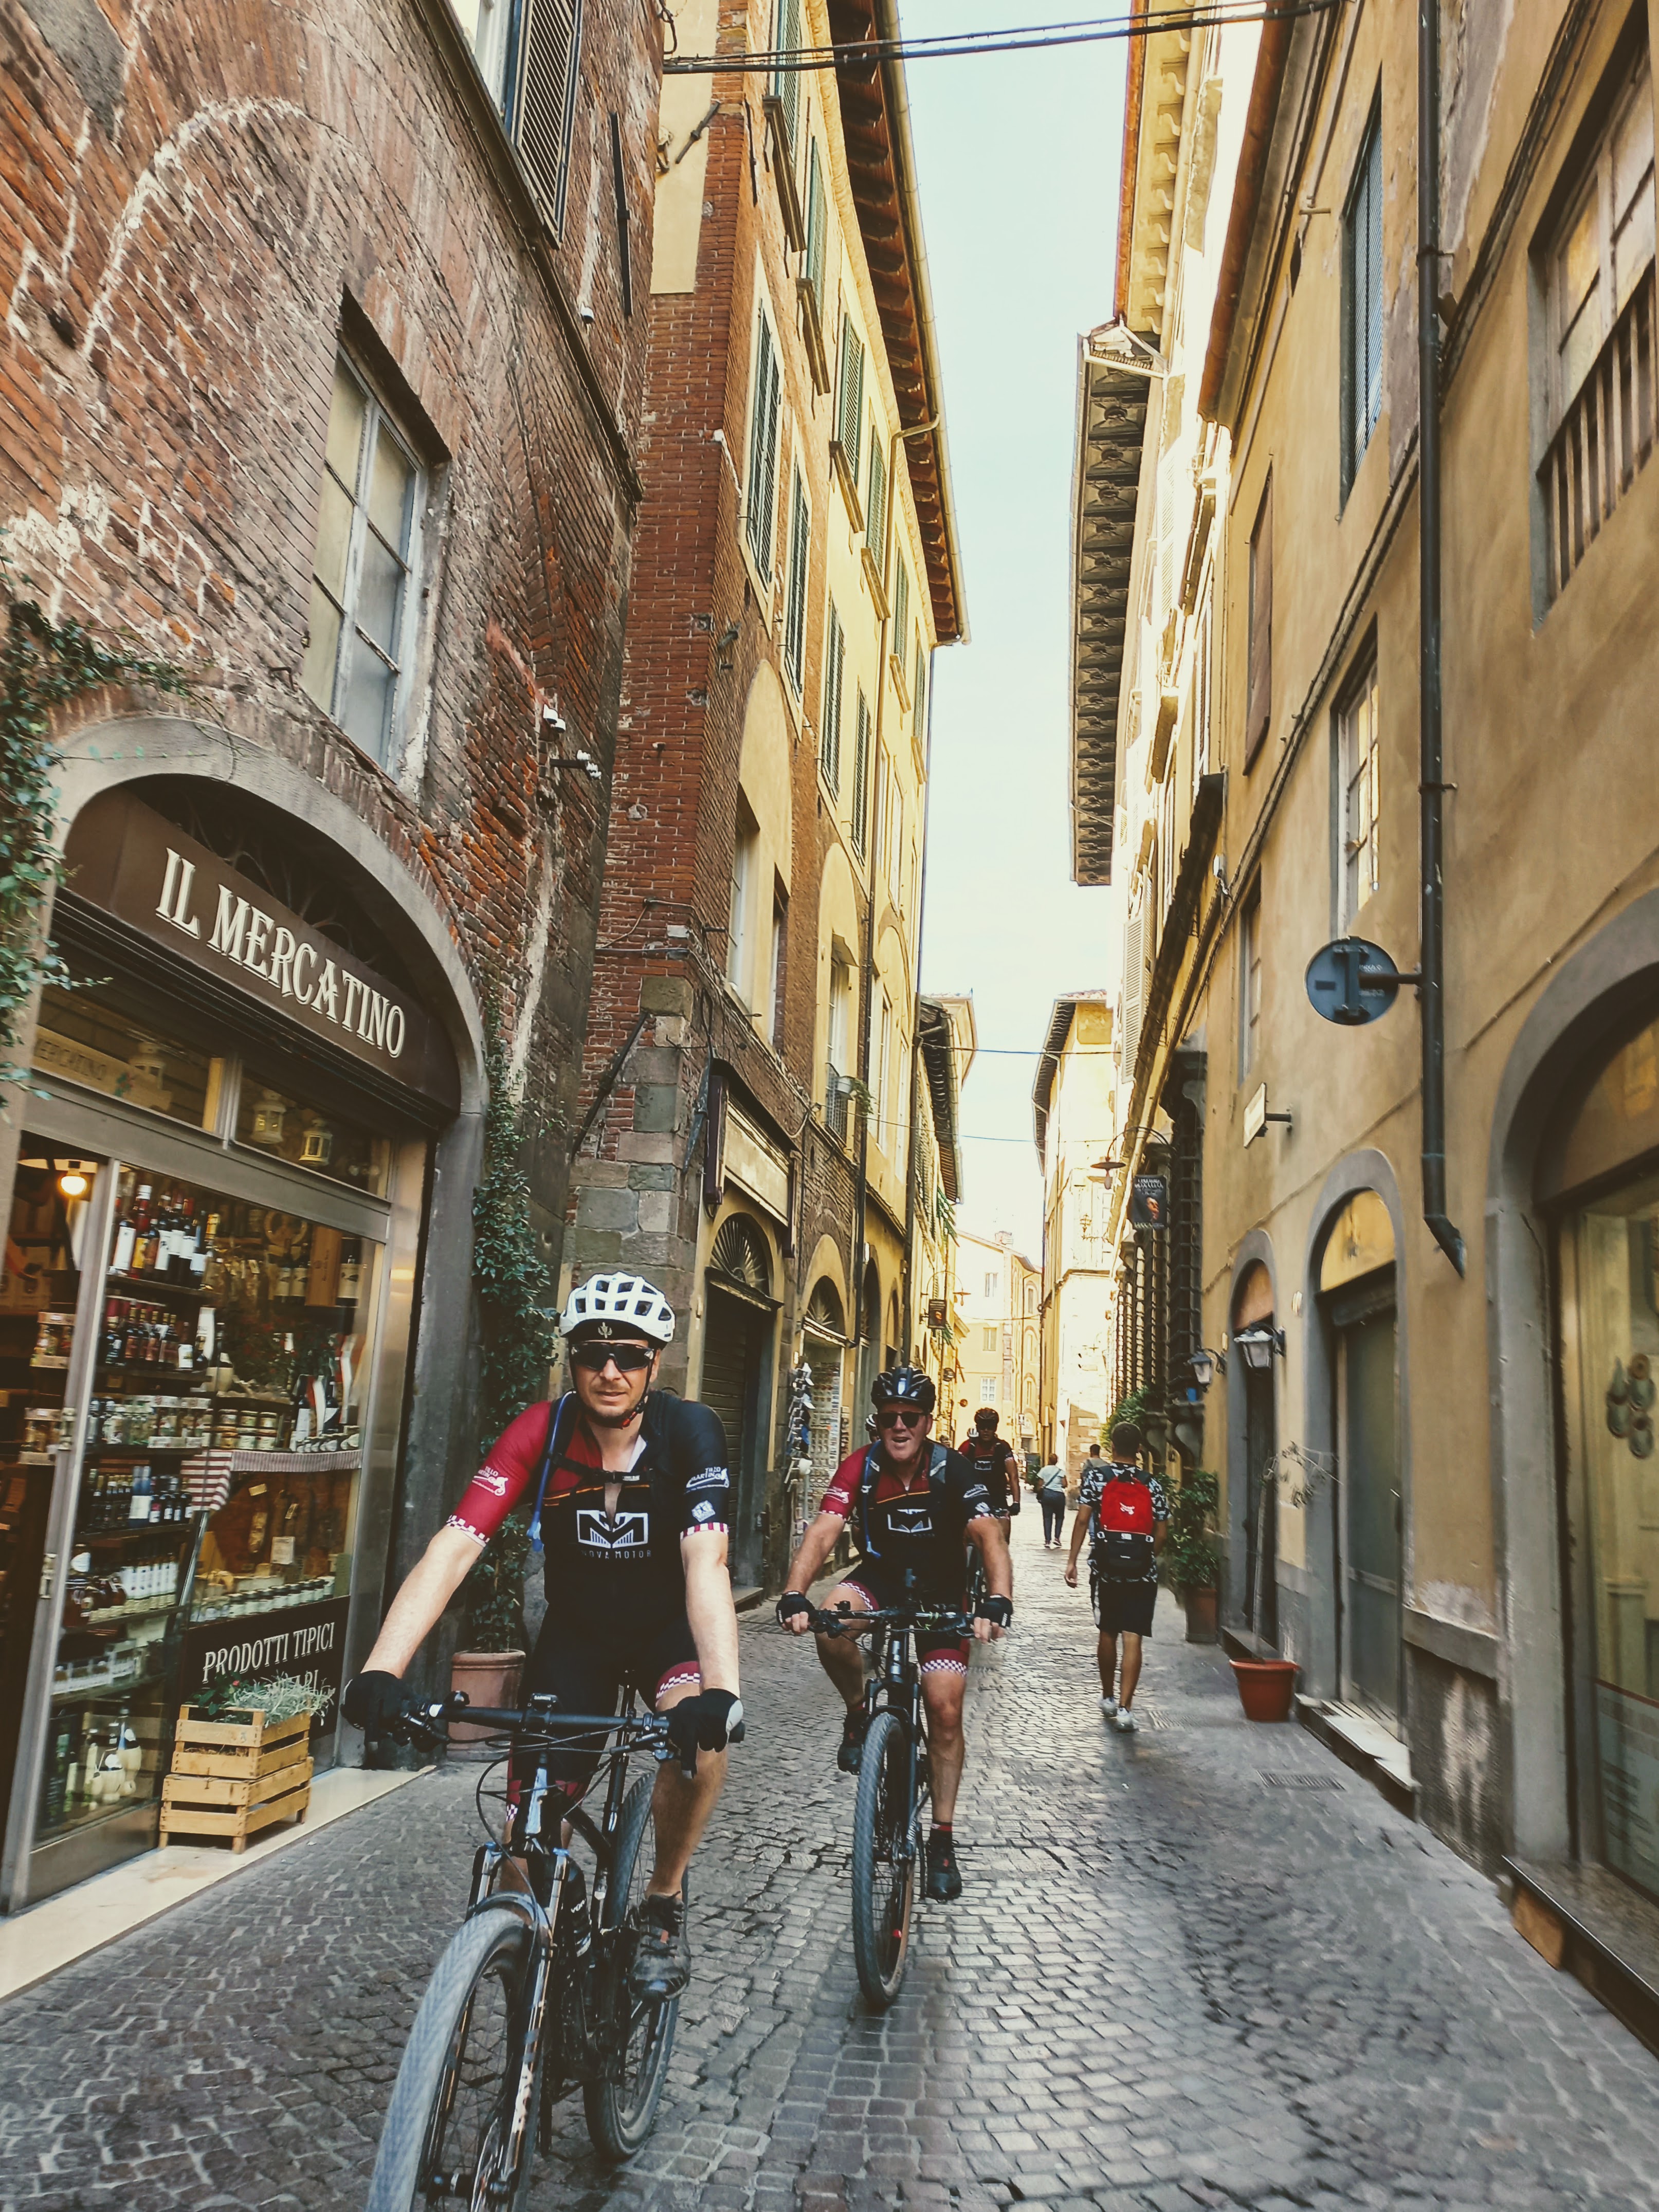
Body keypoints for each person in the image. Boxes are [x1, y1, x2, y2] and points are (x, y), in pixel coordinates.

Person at [341, 1272, 742, 2002]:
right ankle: (537, 2004)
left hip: (666, 1632)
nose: (609, 1371)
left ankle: (662, 1900)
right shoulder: (542, 1431)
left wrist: (719, 1691)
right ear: (571, 1360)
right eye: (591, 1354)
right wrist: (381, 1668)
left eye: (628, 1354)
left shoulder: (688, 1431)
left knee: (698, 1748)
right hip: (576, 1637)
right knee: (523, 1846)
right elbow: (454, 1548)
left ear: (654, 1361)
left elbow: (705, 1559)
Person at [778, 1365, 1012, 1902]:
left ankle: (942, 1837)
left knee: (944, 1708)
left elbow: (988, 1535)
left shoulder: (952, 1469)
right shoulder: (860, 1467)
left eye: (910, 1417)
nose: (899, 1426)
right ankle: (858, 1711)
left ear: (927, 1421)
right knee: (830, 1624)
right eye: (889, 1418)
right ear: (877, 1423)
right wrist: (794, 1592)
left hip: (941, 1592)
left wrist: (997, 1599)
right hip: (880, 1578)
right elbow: (825, 1528)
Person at [1063, 1420, 1168, 1732]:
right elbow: (1162, 1530)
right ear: (1139, 1449)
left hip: (1106, 1569)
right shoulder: (1152, 1484)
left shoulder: (1098, 1478)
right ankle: (1125, 1709)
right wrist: (1146, 1557)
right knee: (1133, 1636)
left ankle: (1108, 1697)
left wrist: (1072, 1561)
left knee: (1107, 1632)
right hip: (1142, 1573)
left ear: (1112, 1446)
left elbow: (1082, 1520)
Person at [959, 1405, 1022, 1530]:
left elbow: (1013, 1476)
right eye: (983, 1427)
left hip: (998, 1500)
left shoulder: (1002, 1448)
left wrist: (1016, 1502)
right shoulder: (968, 1447)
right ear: (978, 1428)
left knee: (1003, 1535)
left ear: (995, 1429)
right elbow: (955, 1474)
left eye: (990, 1427)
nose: (986, 1431)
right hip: (973, 1500)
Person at [1035, 1455, 1068, 1547]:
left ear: (1049, 1460)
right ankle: (1057, 1538)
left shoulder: (1044, 1470)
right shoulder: (1061, 1471)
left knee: (1047, 1518)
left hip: (1047, 1495)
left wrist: (1039, 1493)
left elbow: (1040, 1484)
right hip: (1059, 1496)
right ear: (1057, 1461)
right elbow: (1065, 1484)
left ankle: (1047, 1540)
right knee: (1060, 1517)